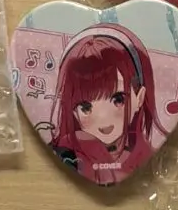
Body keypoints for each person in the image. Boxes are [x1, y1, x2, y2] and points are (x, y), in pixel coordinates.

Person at [50, 24, 165, 185]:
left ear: (139, 98)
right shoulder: (67, 152)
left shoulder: (146, 155)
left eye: (118, 99)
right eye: (86, 107)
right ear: (73, 111)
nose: (103, 118)